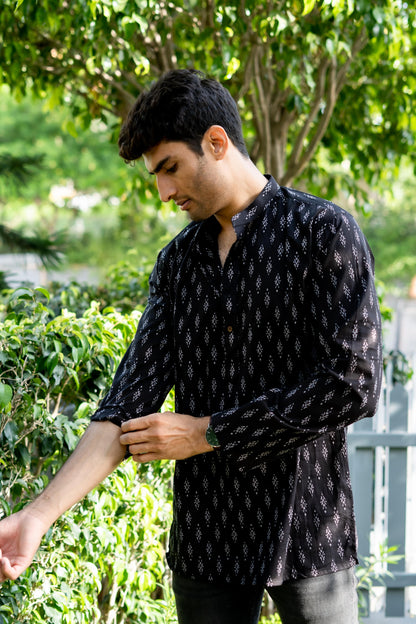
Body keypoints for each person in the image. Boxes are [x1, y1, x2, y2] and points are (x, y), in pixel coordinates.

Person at [0, 69, 382, 624]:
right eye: (155, 176)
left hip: (308, 536)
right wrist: (36, 516)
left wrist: (209, 432)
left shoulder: (324, 233)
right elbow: (126, 405)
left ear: (217, 142)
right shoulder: (177, 264)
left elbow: (354, 385)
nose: (164, 193)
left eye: (170, 169)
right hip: (207, 544)